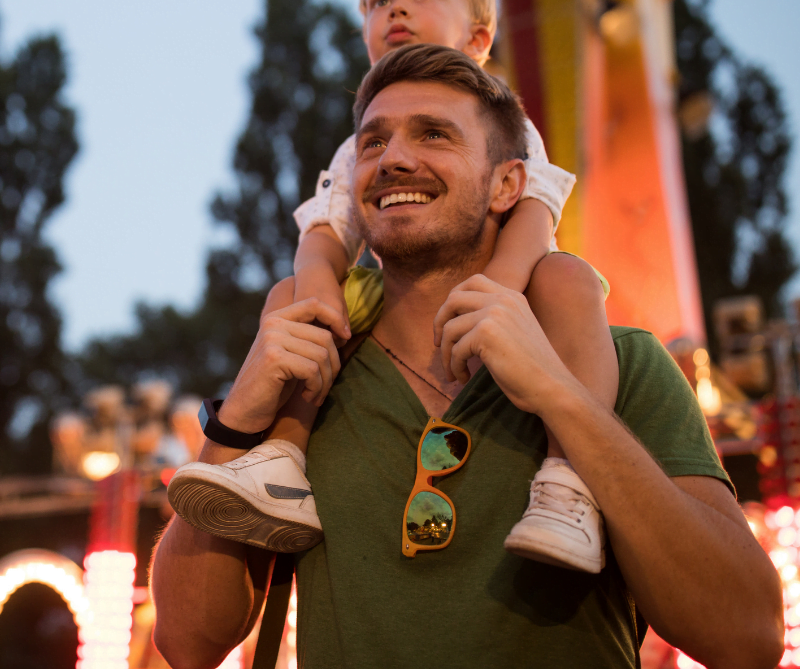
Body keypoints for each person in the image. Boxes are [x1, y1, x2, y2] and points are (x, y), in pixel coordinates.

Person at [152, 44, 783, 669]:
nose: (394, 159)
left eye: (433, 136)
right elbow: (186, 643)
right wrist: (237, 421)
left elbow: (747, 638)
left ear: (508, 184)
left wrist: (560, 396)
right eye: (373, 143)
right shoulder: (303, 377)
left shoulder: (625, 363)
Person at [168, 0, 618, 574]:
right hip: (395, 297)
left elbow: (536, 213)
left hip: (512, 285)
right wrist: (319, 287)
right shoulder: (358, 146)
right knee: (290, 303)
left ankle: (568, 483)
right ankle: (282, 461)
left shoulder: (504, 120)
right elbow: (326, 229)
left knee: (569, 280)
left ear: (479, 39)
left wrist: (497, 290)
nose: (395, 12)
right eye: (379, 2)